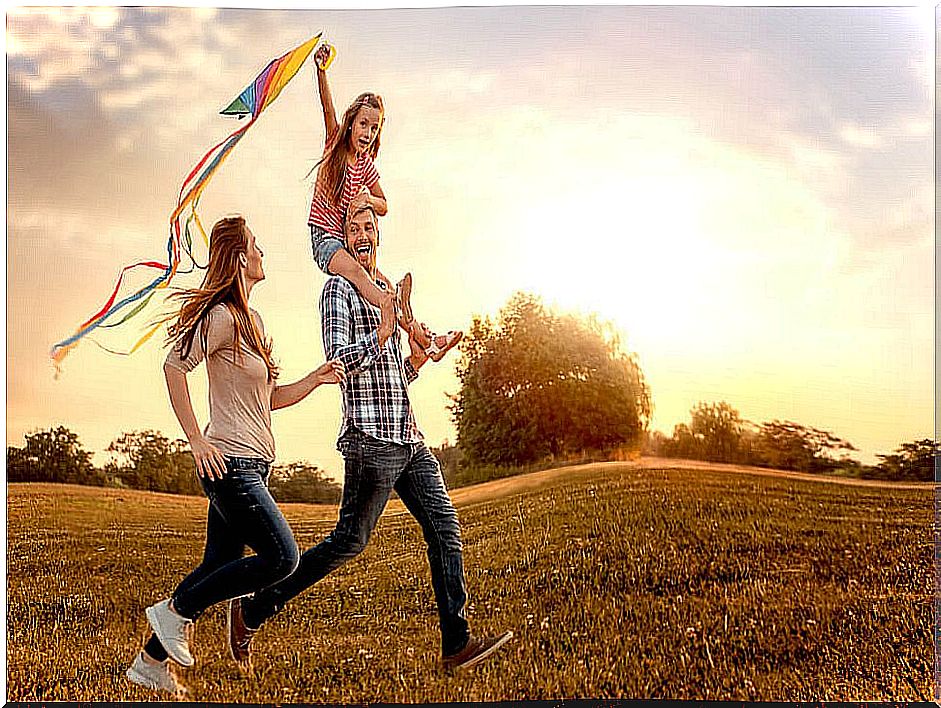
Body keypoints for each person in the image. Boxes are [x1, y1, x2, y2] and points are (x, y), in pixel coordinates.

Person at [229, 203, 513, 671]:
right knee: (348, 541)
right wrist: (383, 330)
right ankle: (255, 608)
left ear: (378, 236)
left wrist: (420, 360)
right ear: (341, 239)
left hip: (408, 436)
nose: (363, 234)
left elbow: (392, 373)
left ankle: (456, 645)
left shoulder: (383, 289)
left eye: (370, 227)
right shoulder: (337, 290)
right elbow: (340, 364)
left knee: (445, 528)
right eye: (353, 228)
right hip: (370, 439)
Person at [125, 215, 346, 697]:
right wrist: (195, 440)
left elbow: (266, 398)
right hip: (227, 464)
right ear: (241, 258)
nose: (263, 253)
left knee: (217, 567)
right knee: (283, 558)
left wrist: (315, 378)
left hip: (254, 466)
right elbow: (174, 367)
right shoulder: (221, 315)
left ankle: (149, 663)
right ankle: (175, 610)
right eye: (256, 246)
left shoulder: (252, 321)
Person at [306, 42, 462, 362]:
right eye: (363, 124)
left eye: (374, 128)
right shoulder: (335, 144)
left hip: (345, 241)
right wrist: (321, 72)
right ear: (351, 123)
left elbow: (384, 204)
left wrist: (368, 199)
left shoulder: (366, 164)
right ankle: (390, 307)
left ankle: (424, 338)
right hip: (325, 239)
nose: (367, 132)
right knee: (365, 280)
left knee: (380, 280)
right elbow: (327, 109)